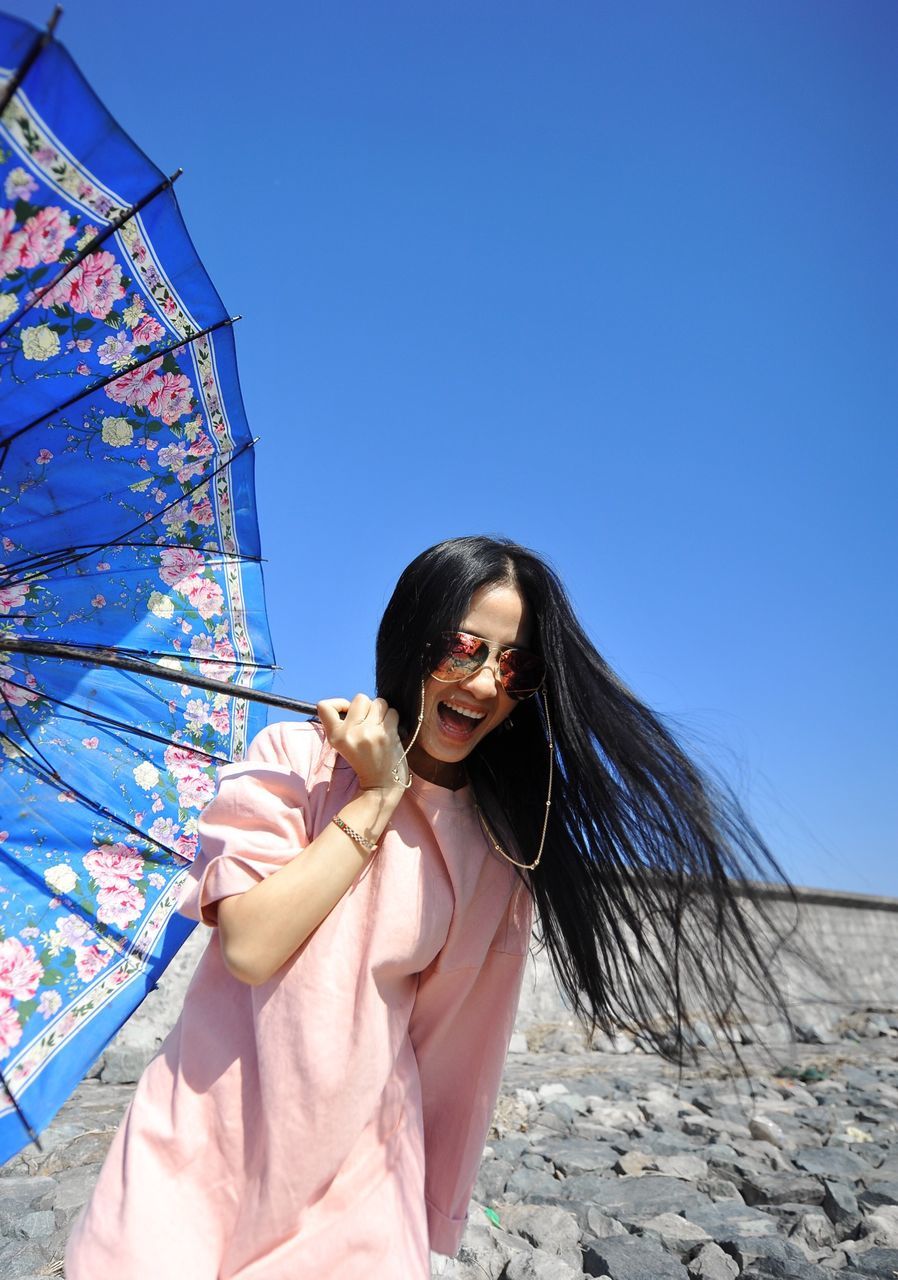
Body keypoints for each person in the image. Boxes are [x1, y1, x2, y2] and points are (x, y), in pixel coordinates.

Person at [65, 534, 808, 1280]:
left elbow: (453, 1051)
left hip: (356, 1185)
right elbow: (251, 945)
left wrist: (427, 1213)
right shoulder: (296, 758)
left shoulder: (498, 852)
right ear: (411, 636)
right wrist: (381, 792)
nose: (484, 683)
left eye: (515, 665)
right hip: (195, 1148)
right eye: (463, 647)